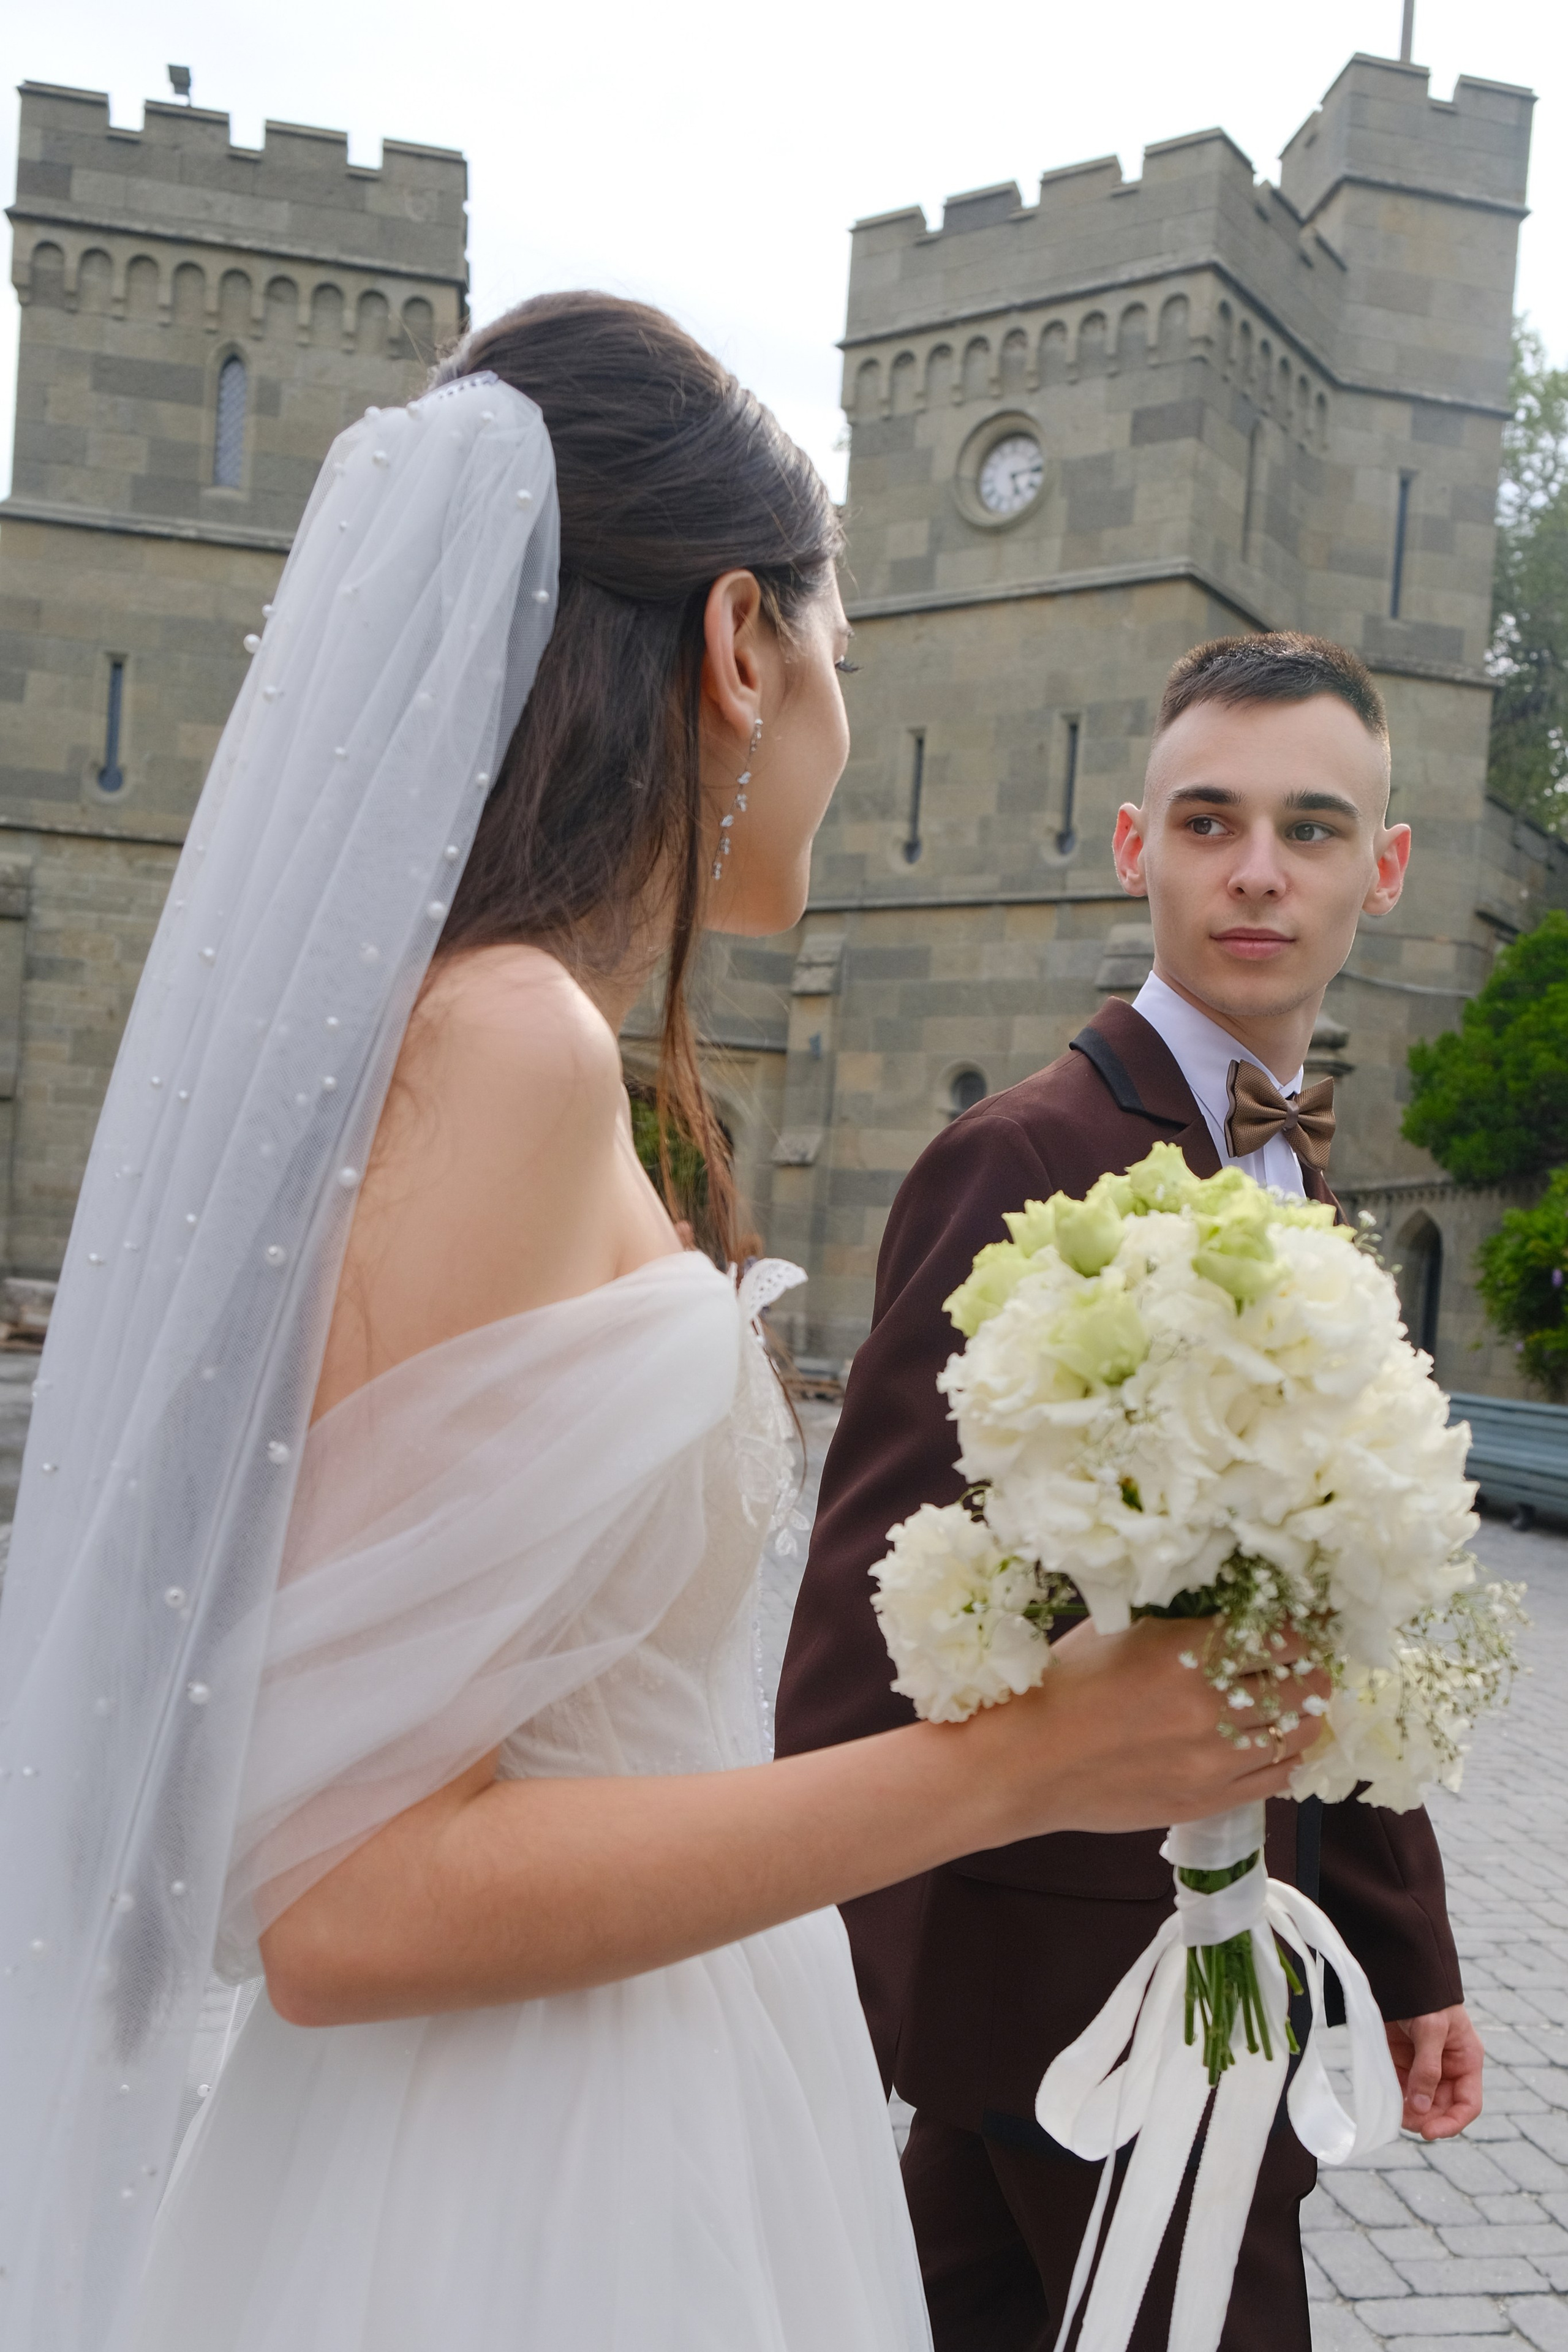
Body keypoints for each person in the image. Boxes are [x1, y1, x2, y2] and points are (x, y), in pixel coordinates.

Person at [0, 306, 1331, 2352]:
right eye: (843, 655)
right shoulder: (508, 1046)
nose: (849, 728)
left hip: (659, 2069)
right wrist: (1020, 1765)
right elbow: (344, 1901)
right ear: (739, 646)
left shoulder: (525, 1041)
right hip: (525, 2169)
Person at [775, 633, 1487, 2352]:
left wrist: (1408, 1954)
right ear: (1133, 846)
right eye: (1209, 821)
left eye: (1313, 828)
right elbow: (866, 1614)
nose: (1259, 871)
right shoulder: (1020, 1160)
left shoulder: (1304, 1182)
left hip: (1224, 1975)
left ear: (1386, 868)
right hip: (1062, 1997)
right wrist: (820, 2012)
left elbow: (1336, 1618)